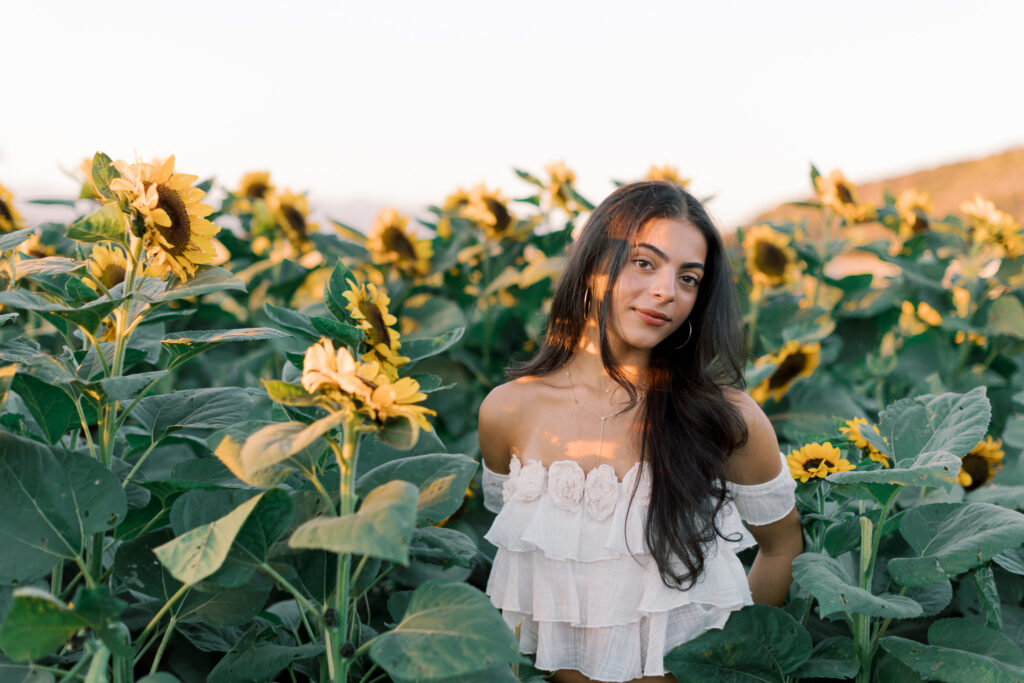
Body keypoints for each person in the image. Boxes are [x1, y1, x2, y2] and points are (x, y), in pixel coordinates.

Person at [478, 181, 804, 683]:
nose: (666, 292)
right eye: (644, 262)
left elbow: (781, 546)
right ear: (592, 265)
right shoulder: (507, 412)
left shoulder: (724, 418)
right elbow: (528, 564)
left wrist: (731, 662)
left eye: (689, 278)